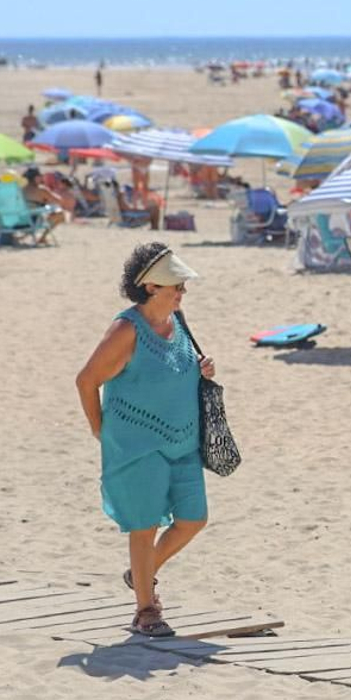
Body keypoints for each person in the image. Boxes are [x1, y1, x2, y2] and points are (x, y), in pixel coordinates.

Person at [75, 244, 215, 639]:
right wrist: (98, 428)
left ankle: (141, 572)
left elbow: (178, 368)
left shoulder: (178, 321)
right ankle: (145, 609)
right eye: (176, 286)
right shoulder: (126, 330)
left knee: (193, 519)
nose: (182, 293)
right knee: (145, 525)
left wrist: (203, 370)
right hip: (137, 444)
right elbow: (86, 381)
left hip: (183, 441)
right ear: (151, 286)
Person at [22, 167, 67, 243]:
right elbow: (59, 200)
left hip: (19, 220)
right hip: (33, 220)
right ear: (36, 178)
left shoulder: (20, 189)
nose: (41, 178)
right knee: (60, 214)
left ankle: (23, 237)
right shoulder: (41, 189)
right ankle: (42, 237)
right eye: (40, 176)